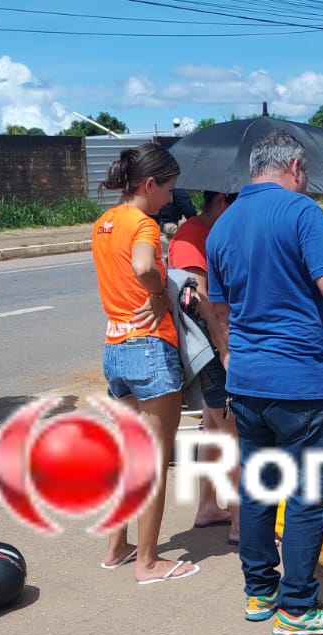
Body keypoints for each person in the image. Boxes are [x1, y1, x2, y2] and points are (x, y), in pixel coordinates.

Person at [206, 130, 323, 635]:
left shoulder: (221, 227)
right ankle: (296, 609)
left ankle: (260, 592)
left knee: (260, 487)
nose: (306, 181)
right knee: (308, 496)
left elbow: (216, 307)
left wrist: (229, 356)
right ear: (293, 165)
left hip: (246, 383)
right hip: (301, 382)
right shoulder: (301, 212)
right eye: (306, 172)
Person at [90, 142, 200, 585]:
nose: (171, 198)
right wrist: (158, 294)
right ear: (150, 184)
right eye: (168, 189)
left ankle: (117, 547)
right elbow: (142, 267)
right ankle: (149, 563)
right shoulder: (144, 224)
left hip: (115, 346)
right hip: (149, 347)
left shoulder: (104, 222)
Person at [166, 189, 240, 541]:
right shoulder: (191, 237)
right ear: (223, 201)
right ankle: (244, 524)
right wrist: (224, 346)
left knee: (214, 432)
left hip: (210, 348)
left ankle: (209, 506)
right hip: (209, 351)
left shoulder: (205, 233)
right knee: (235, 437)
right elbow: (199, 298)